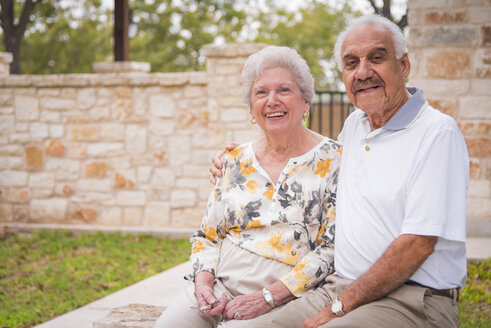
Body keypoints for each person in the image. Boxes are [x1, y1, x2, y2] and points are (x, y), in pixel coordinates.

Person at [209, 15, 469, 328]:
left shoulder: (437, 133)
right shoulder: (355, 126)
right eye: (351, 63)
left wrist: (338, 308)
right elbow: (306, 163)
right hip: (341, 285)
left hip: (411, 298)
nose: (363, 72)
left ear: (404, 65)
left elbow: (417, 244)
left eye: (376, 58)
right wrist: (243, 162)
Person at [154, 45, 342, 328]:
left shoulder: (334, 160)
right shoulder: (233, 161)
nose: (272, 100)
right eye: (261, 92)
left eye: (284, 90)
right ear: (252, 108)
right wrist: (203, 284)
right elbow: (207, 236)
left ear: (306, 102)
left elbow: (332, 248)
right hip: (221, 283)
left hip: (288, 292)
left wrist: (268, 296)